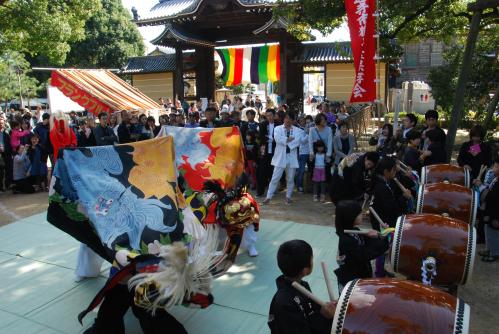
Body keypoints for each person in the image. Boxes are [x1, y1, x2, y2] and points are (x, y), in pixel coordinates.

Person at [268, 240, 336, 334]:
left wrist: (327, 308)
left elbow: (313, 309)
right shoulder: (284, 303)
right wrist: (323, 317)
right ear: (305, 270)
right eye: (312, 259)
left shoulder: (302, 285)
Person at [333, 200, 390, 292]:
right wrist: (383, 240)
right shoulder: (346, 240)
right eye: (359, 213)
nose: (362, 214)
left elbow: (367, 242)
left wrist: (381, 234)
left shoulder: (354, 230)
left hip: (360, 274)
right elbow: (365, 254)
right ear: (350, 217)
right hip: (352, 282)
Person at [263, 112, 303, 205]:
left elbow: (297, 142)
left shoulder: (298, 130)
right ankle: (268, 197)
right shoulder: (277, 128)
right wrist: (288, 139)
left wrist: (285, 140)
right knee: (275, 178)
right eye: (286, 118)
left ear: (293, 120)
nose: (287, 120)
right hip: (280, 157)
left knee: (290, 178)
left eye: (289, 118)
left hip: (291, 157)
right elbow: (277, 139)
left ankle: (288, 197)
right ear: (283, 119)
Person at [371, 156, 412, 230]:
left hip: (386, 218)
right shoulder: (382, 187)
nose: (395, 172)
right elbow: (392, 210)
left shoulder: (383, 181)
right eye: (393, 170)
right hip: (385, 224)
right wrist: (404, 198)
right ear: (386, 171)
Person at [475, 157, 499, 261]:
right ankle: (489, 248)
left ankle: (495, 253)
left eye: (496, 166)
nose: (493, 168)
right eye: (494, 166)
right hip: (490, 209)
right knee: (487, 228)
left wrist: (480, 186)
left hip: (496, 212)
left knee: (494, 231)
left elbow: (493, 196)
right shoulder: (496, 178)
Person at [257, 108, 278, 197]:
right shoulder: (262, 124)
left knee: (273, 172)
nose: (269, 117)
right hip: (264, 151)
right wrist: (270, 139)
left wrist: (270, 139)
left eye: (270, 115)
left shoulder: (278, 125)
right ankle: (260, 192)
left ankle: (272, 191)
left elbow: (278, 138)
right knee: (262, 172)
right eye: (267, 115)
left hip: (275, 152)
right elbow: (261, 137)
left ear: (274, 115)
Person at [295, 115, 310, 193]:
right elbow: (302, 141)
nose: (303, 122)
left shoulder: (307, 129)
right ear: (299, 122)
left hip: (310, 152)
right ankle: (299, 186)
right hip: (303, 152)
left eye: (304, 121)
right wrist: (308, 134)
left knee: (310, 170)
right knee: (301, 170)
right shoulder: (298, 130)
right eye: (301, 121)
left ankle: (309, 186)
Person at [0, 116, 13, 192]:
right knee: (1, 171)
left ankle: (8, 184)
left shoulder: (6, 133)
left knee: (8, 169)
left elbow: (9, 143)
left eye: (2, 123)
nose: (1, 124)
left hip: (7, 153)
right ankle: (1, 186)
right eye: (0, 123)